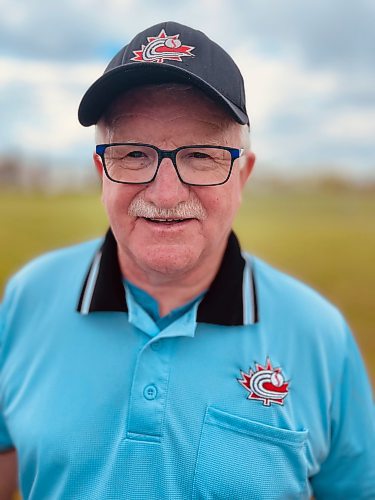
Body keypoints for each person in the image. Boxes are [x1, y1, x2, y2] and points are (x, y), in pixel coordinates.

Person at [0, 21, 374, 500]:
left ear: (242, 176)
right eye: (133, 154)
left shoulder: (319, 334)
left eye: (201, 155)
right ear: (101, 173)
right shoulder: (29, 297)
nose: (165, 192)